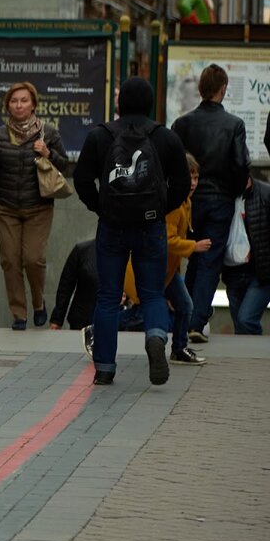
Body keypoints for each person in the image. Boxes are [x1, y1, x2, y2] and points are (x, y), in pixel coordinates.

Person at [74, 77, 191, 386]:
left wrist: (100, 207)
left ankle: (105, 367)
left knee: (109, 296)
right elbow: (181, 184)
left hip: (112, 227)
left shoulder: (100, 136)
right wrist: (161, 211)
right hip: (151, 227)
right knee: (153, 293)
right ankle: (155, 337)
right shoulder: (165, 138)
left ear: (119, 102)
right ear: (151, 103)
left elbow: (82, 180)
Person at [0, 81, 70, 330]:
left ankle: (38, 303)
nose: (19, 105)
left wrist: (47, 152)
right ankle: (19, 313)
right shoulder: (0, 136)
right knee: (10, 260)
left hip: (39, 207)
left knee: (34, 259)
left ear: (33, 104)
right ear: (8, 106)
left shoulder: (49, 132)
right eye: (14, 101)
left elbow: (65, 165)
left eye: (24, 100)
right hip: (5, 208)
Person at [170, 64, 251, 343]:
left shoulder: (181, 124)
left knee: (193, 255)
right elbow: (241, 164)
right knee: (210, 260)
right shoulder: (234, 125)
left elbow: (172, 162)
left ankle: (186, 314)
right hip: (220, 199)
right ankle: (195, 321)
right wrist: (239, 187)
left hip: (188, 200)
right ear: (223, 89)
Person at [122, 153, 211, 365]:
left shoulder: (184, 203)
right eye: (189, 177)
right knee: (141, 310)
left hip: (167, 270)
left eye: (196, 178)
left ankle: (179, 349)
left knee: (183, 305)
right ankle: (97, 332)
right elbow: (168, 240)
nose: (193, 183)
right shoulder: (173, 206)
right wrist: (193, 247)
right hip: (151, 267)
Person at [49, 239, 144, 359]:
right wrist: (57, 319)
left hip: (122, 323)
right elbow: (66, 285)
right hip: (83, 318)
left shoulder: (134, 252)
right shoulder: (82, 250)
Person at [222, 178, 270, 335]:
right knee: (240, 328)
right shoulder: (224, 197)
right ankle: (250, 358)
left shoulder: (264, 193)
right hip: (233, 273)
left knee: (246, 320)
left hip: (260, 273)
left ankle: (257, 355)